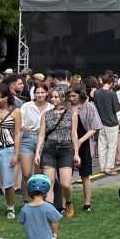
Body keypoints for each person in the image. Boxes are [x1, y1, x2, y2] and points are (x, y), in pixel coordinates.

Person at [35, 87, 77, 216]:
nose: (53, 99)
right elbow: (41, 135)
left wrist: (76, 153)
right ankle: (50, 211)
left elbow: (74, 134)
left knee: (65, 184)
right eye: (52, 97)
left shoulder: (72, 114)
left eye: (56, 97)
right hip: (49, 149)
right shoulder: (46, 114)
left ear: (63, 98)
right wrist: (37, 152)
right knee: (49, 183)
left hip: (66, 149)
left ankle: (68, 203)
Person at [68, 87, 102, 213]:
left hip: (85, 143)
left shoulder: (89, 107)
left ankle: (87, 203)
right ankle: (67, 201)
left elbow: (95, 127)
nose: (71, 99)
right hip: (68, 143)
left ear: (80, 96)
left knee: (85, 175)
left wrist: (81, 140)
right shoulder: (67, 108)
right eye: (69, 96)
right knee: (66, 174)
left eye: (74, 96)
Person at [19, 84, 51, 203]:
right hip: (27, 139)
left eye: (42, 92)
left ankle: (38, 200)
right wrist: (23, 127)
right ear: (34, 93)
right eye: (37, 92)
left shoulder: (51, 107)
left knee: (39, 174)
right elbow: (19, 122)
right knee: (26, 173)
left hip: (44, 140)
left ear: (47, 93)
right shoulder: (26, 106)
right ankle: (26, 200)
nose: (40, 95)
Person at [0, 83, 22, 219]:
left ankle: (10, 207)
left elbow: (18, 133)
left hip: (7, 149)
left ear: (7, 97)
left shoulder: (15, 111)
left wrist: (16, 153)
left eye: (1, 97)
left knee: (8, 182)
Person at [92, 75, 120, 176]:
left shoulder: (96, 93)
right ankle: (109, 167)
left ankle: (102, 167)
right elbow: (117, 108)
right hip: (112, 122)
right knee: (112, 146)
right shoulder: (112, 94)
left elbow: (95, 107)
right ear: (111, 83)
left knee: (102, 145)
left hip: (100, 122)